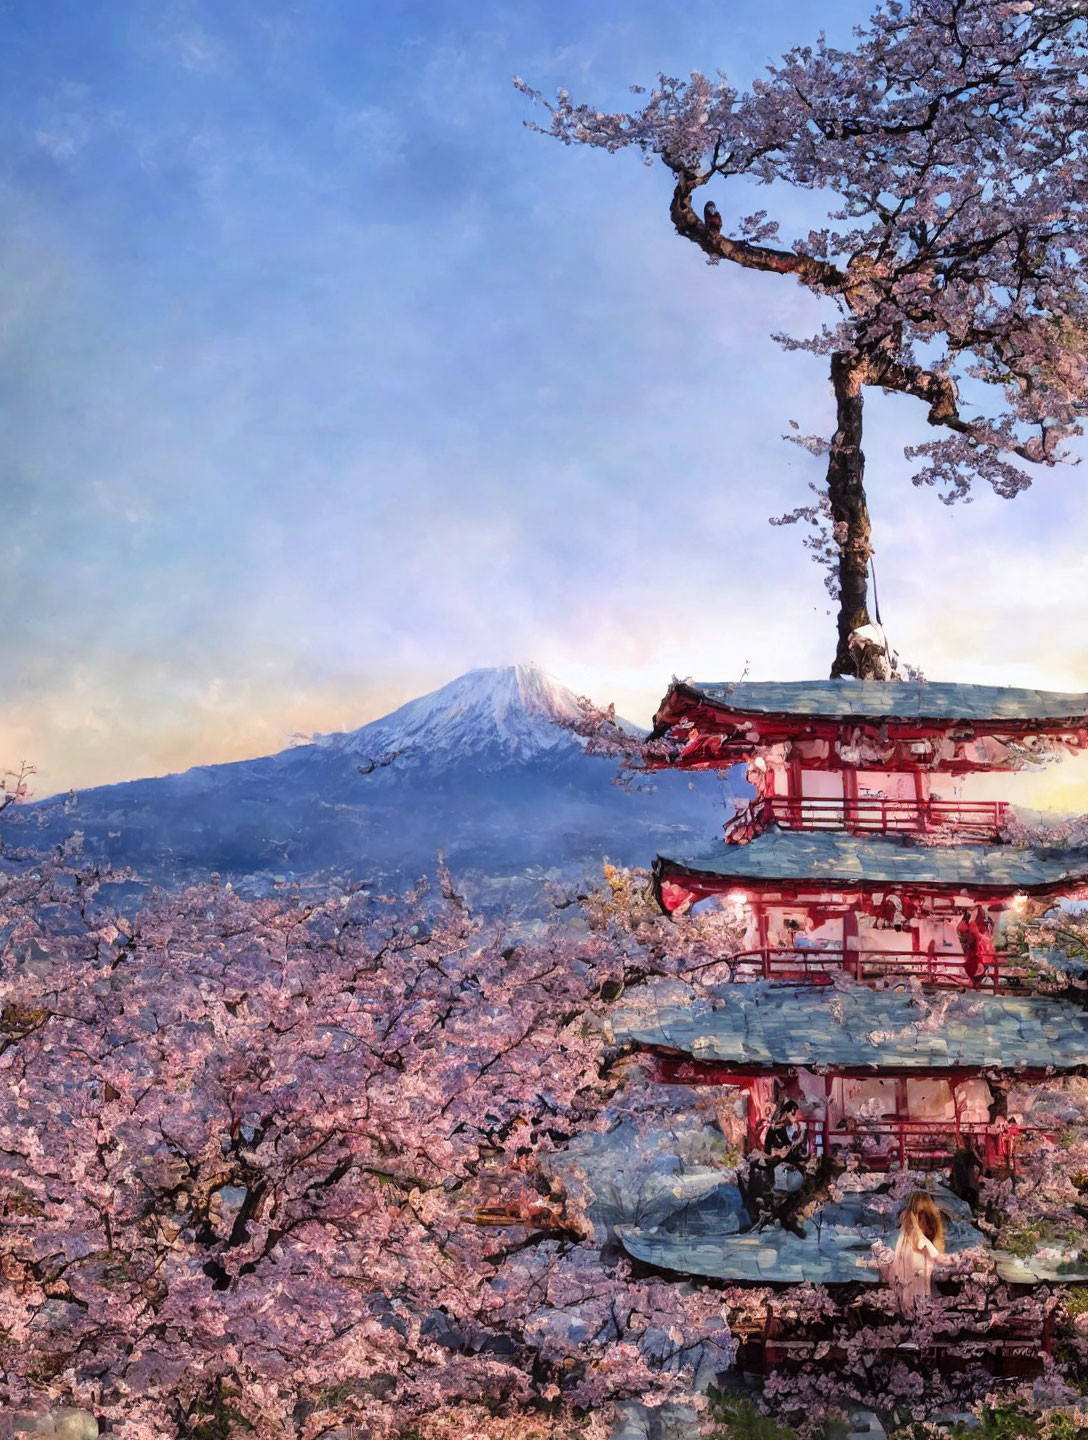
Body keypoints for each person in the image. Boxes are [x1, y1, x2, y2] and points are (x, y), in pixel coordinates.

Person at [886, 1191, 948, 1315]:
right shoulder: (913, 1234)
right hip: (914, 1280)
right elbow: (928, 1249)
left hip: (914, 1280)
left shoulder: (911, 1233)